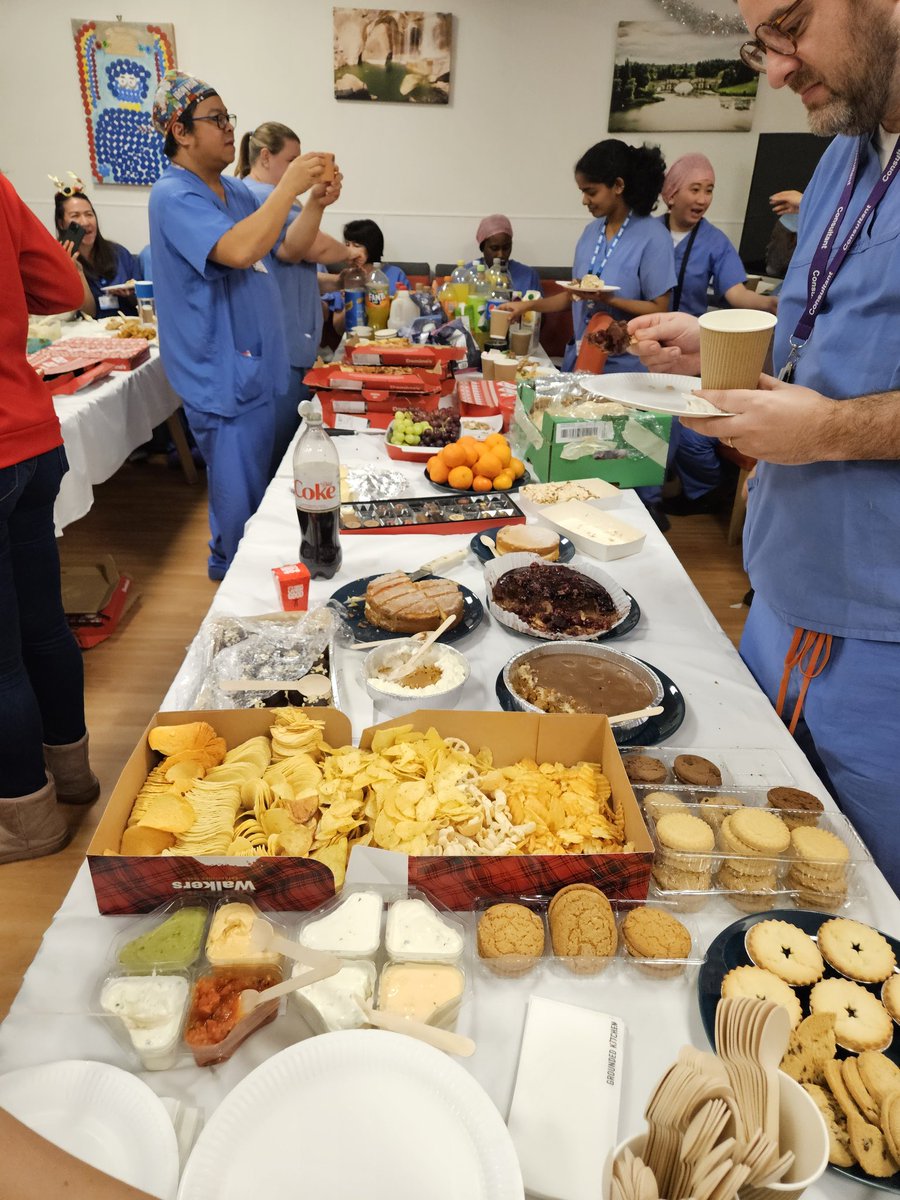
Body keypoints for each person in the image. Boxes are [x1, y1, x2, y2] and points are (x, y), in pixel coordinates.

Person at [628, 0, 900, 894]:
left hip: (882, 634)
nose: (775, 70)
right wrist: (721, 345)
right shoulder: (844, 158)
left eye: (791, 25)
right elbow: (830, 335)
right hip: (787, 586)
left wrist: (832, 432)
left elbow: (839, 402)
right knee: (745, 862)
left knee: (862, 905)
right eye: (762, 41)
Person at [148, 70, 332, 580]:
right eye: (216, 119)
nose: (230, 128)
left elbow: (291, 246)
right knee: (239, 511)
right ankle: (234, 597)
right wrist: (290, 183)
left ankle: (248, 582)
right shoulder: (173, 196)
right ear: (181, 132)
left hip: (254, 370)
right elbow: (239, 249)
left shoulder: (233, 191)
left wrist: (313, 201)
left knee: (259, 497)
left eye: (229, 117)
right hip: (222, 379)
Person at [0, 173, 100, 865]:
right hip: (31, 437)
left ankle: (27, 822)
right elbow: (67, 291)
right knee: (43, 626)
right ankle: (72, 776)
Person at [657, 153, 777, 515]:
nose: (703, 199)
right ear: (672, 193)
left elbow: (736, 294)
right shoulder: (646, 232)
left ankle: (705, 494)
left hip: (692, 352)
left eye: (709, 190)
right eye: (695, 189)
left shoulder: (715, 241)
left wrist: (776, 303)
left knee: (693, 435)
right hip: (647, 346)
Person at [502, 139, 675, 374]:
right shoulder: (591, 233)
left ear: (618, 185)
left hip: (626, 371)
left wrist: (610, 300)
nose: (584, 200)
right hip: (581, 360)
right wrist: (527, 306)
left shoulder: (654, 237)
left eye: (590, 192)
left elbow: (660, 309)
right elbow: (573, 296)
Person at [236, 121, 347, 468]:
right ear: (266, 157)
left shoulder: (259, 196)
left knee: (278, 442)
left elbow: (287, 275)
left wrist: (334, 283)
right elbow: (303, 249)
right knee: (282, 449)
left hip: (282, 342)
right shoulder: (266, 197)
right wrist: (350, 254)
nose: (301, 169)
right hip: (281, 344)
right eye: (293, 160)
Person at [51, 175, 140, 318]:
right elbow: (89, 314)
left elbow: (143, 303)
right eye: (75, 216)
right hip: (89, 336)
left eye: (89, 214)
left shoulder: (119, 253)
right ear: (61, 224)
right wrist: (77, 272)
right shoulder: (57, 262)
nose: (85, 222)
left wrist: (130, 294)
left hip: (129, 331)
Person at [323, 218, 410, 336]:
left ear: (371, 247)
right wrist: (348, 301)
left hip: (390, 338)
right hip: (356, 340)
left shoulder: (395, 274)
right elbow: (339, 328)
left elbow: (408, 320)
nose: (349, 250)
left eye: (356, 245)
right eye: (347, 244)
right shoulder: (345, 278)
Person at [467, 213, 539, 296]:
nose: (501, 255)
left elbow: (539, 307)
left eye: (506, 248)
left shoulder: (528, 276)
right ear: (482, 247)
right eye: (494, 248)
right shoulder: (469, 274)